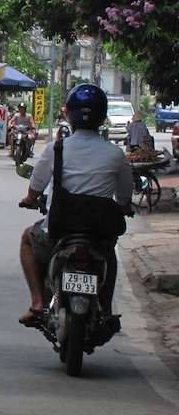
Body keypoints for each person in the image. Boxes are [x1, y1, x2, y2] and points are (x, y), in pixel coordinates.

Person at [17, 84, 133, 325]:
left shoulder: (56, 148)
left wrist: (30, 200)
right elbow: (124, 196)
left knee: (28, 238)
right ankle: (105, 308)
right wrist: (123, 207)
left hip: (59, 231)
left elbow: (36, 186)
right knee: (109, 255)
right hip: (99, 234)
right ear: (102, 116)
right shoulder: (115, 153)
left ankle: (37, 303)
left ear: (69, 115)